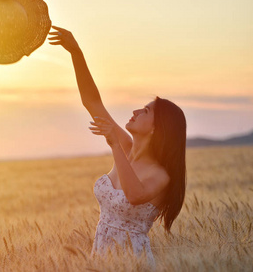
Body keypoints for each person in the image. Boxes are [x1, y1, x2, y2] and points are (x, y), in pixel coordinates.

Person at [48, 26, 187, 266]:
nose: (135, 111)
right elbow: (92, 102)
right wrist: (76, 53)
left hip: (133, 263)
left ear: (158, 128)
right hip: (101, 259)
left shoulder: (160, 175)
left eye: (145, 111)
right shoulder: (125, 145)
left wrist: (114, 144)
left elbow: (134, 196)